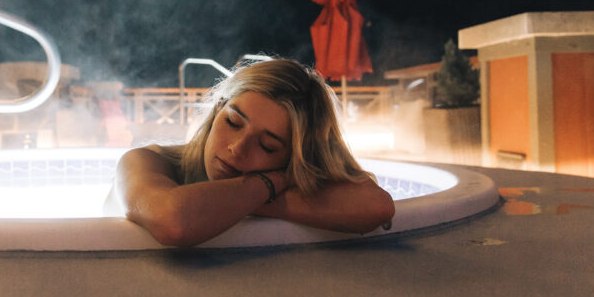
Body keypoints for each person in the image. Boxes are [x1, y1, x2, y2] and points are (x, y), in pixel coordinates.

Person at [115, 59, 395, 247]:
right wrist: (270, 185)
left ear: (292, 159)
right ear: (217, 110)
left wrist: (250, 194)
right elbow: (173, 219)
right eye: (233, 122)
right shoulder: (149, 160)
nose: (238, 148)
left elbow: (377, 206)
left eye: (267, 146)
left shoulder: (280, 177)